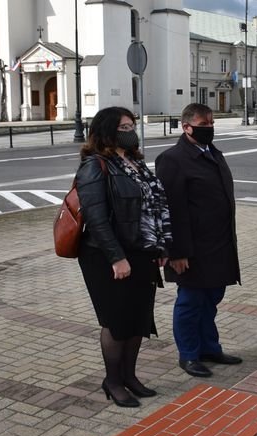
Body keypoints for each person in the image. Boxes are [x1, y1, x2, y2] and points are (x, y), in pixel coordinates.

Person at [75, 107, 171, 408]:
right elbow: (97, 219)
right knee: (117, 322)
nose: (131, 130)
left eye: (132, 125)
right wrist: (117, 258)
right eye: (125, 126)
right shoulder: (95, 167)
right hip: (106, 256)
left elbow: (154, 209)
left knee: (137, 319)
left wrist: (160, 247)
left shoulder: (135, 163)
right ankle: (113, 382)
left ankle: (129, 377)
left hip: (141, 251)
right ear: (107, 131)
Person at [155, 103, 243, 378]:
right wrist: (177, 252)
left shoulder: (213, 153)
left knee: (212, 299)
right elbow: (171, 209)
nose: (209, 129)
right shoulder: (172, 159)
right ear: (186, 127)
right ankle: (189, 355)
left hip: (218, 244)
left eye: (211, 124)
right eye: (203, 125)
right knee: (191, 301)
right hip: (190, 248)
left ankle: (209, 348)